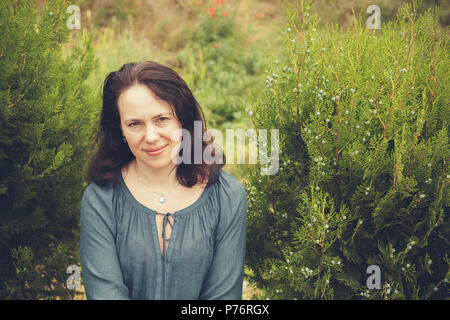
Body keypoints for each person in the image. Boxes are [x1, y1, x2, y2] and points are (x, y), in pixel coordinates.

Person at [80, 61, 247, 300]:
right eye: (135, 123)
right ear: (120, 131)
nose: (151, 136)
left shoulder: (228, 195)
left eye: (161, 119)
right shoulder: (100, 199)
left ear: (183, 120)